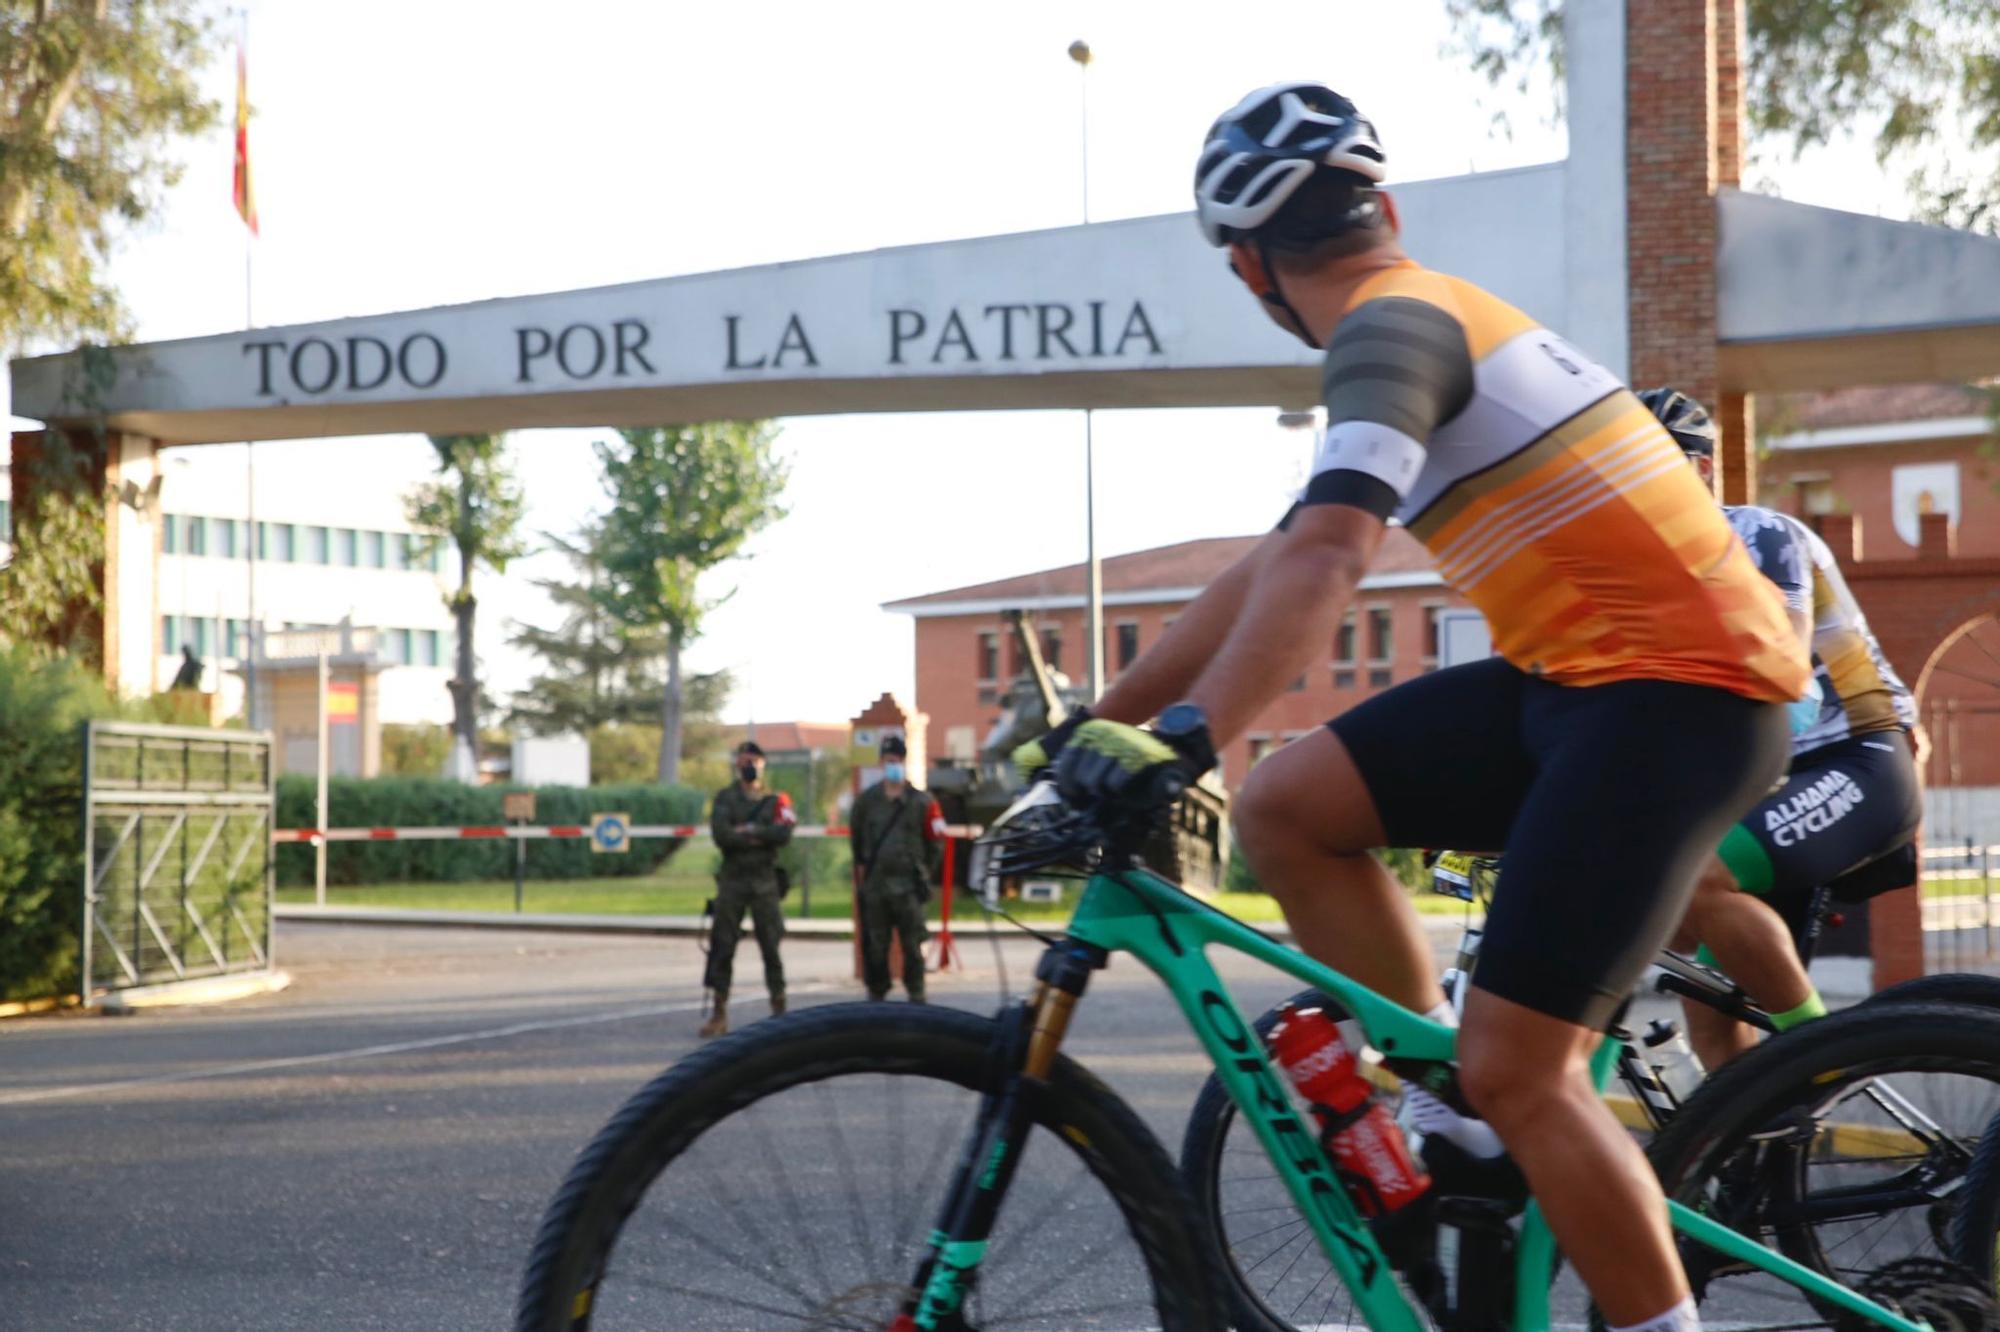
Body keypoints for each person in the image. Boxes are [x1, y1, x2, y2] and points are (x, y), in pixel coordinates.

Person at [1018, 83, 1810, 1332]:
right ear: (1380, 206)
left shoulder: (1392, 331)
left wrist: (1181, 741)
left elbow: (1328, 555)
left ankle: (1502, 1122)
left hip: (1678, 694)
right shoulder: (1420, 318)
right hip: (1586, 683)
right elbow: (1270, 565)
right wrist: (1080, 735)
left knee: (1526, 1069)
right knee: (1287, 806)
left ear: (1246, 271)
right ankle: (1450, 1097)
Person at [1641, 388, 1923, 1068]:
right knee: (1709, 1010)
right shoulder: (1646, 577)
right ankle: (1751, 1157)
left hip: (1855, 760)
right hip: (1768, 783)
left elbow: (1781, 677)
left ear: (1701, 472)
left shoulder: (1756, 536)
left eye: (1650, 466)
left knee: (1697, 881)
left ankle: (1817, 1068)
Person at [701, 740, 794, 1038]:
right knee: (722, 945)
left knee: (771, 945)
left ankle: (779, 1009)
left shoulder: (776, 799)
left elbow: (784, 832)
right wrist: (756, 837)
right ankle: (719, 1013)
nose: (749, 766)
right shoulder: (726, 798)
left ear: (764, 763)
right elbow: (721, 835)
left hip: (765, 881)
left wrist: (750, 831)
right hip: (733, 880)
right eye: (743, 761)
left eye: (753, 760)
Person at [848, 735, 943, 1003]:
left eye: (898, 760)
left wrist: (923, 872)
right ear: (881, 761)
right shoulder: (867, 802)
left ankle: (917, 995)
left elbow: (936, 842)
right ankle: (876, 996)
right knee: (876, 946)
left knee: (913, 946)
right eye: (889, 759)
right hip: (876, 888)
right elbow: (856, 842)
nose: (893, 764)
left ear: (904, 761)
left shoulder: (922, 802)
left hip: (909, 888)